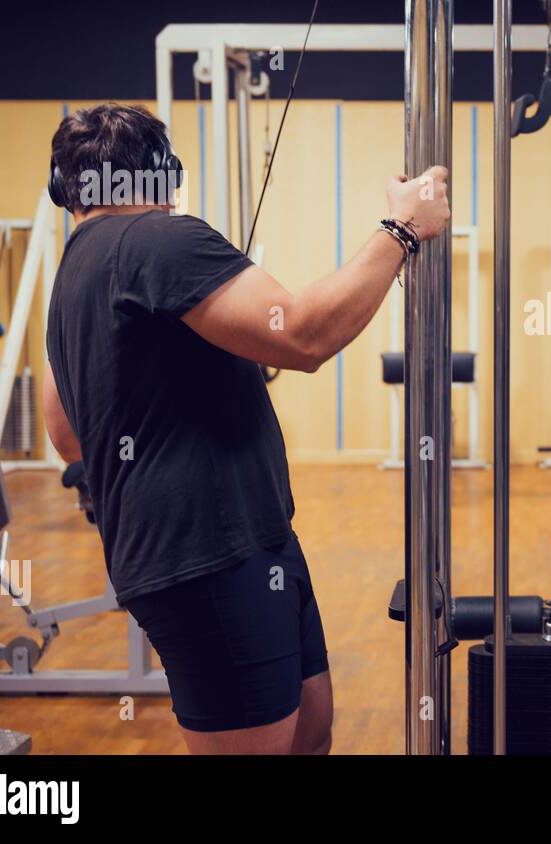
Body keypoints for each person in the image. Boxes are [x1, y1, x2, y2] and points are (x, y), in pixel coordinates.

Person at [42, 103, 449, 753]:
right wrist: (403, 228)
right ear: (164, 174)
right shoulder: (161, 240)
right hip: (208, 560)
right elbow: (306, 334)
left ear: (68, 190)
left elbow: (65, 431)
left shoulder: (74, 270)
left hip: (249, 545)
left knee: (310, 732)